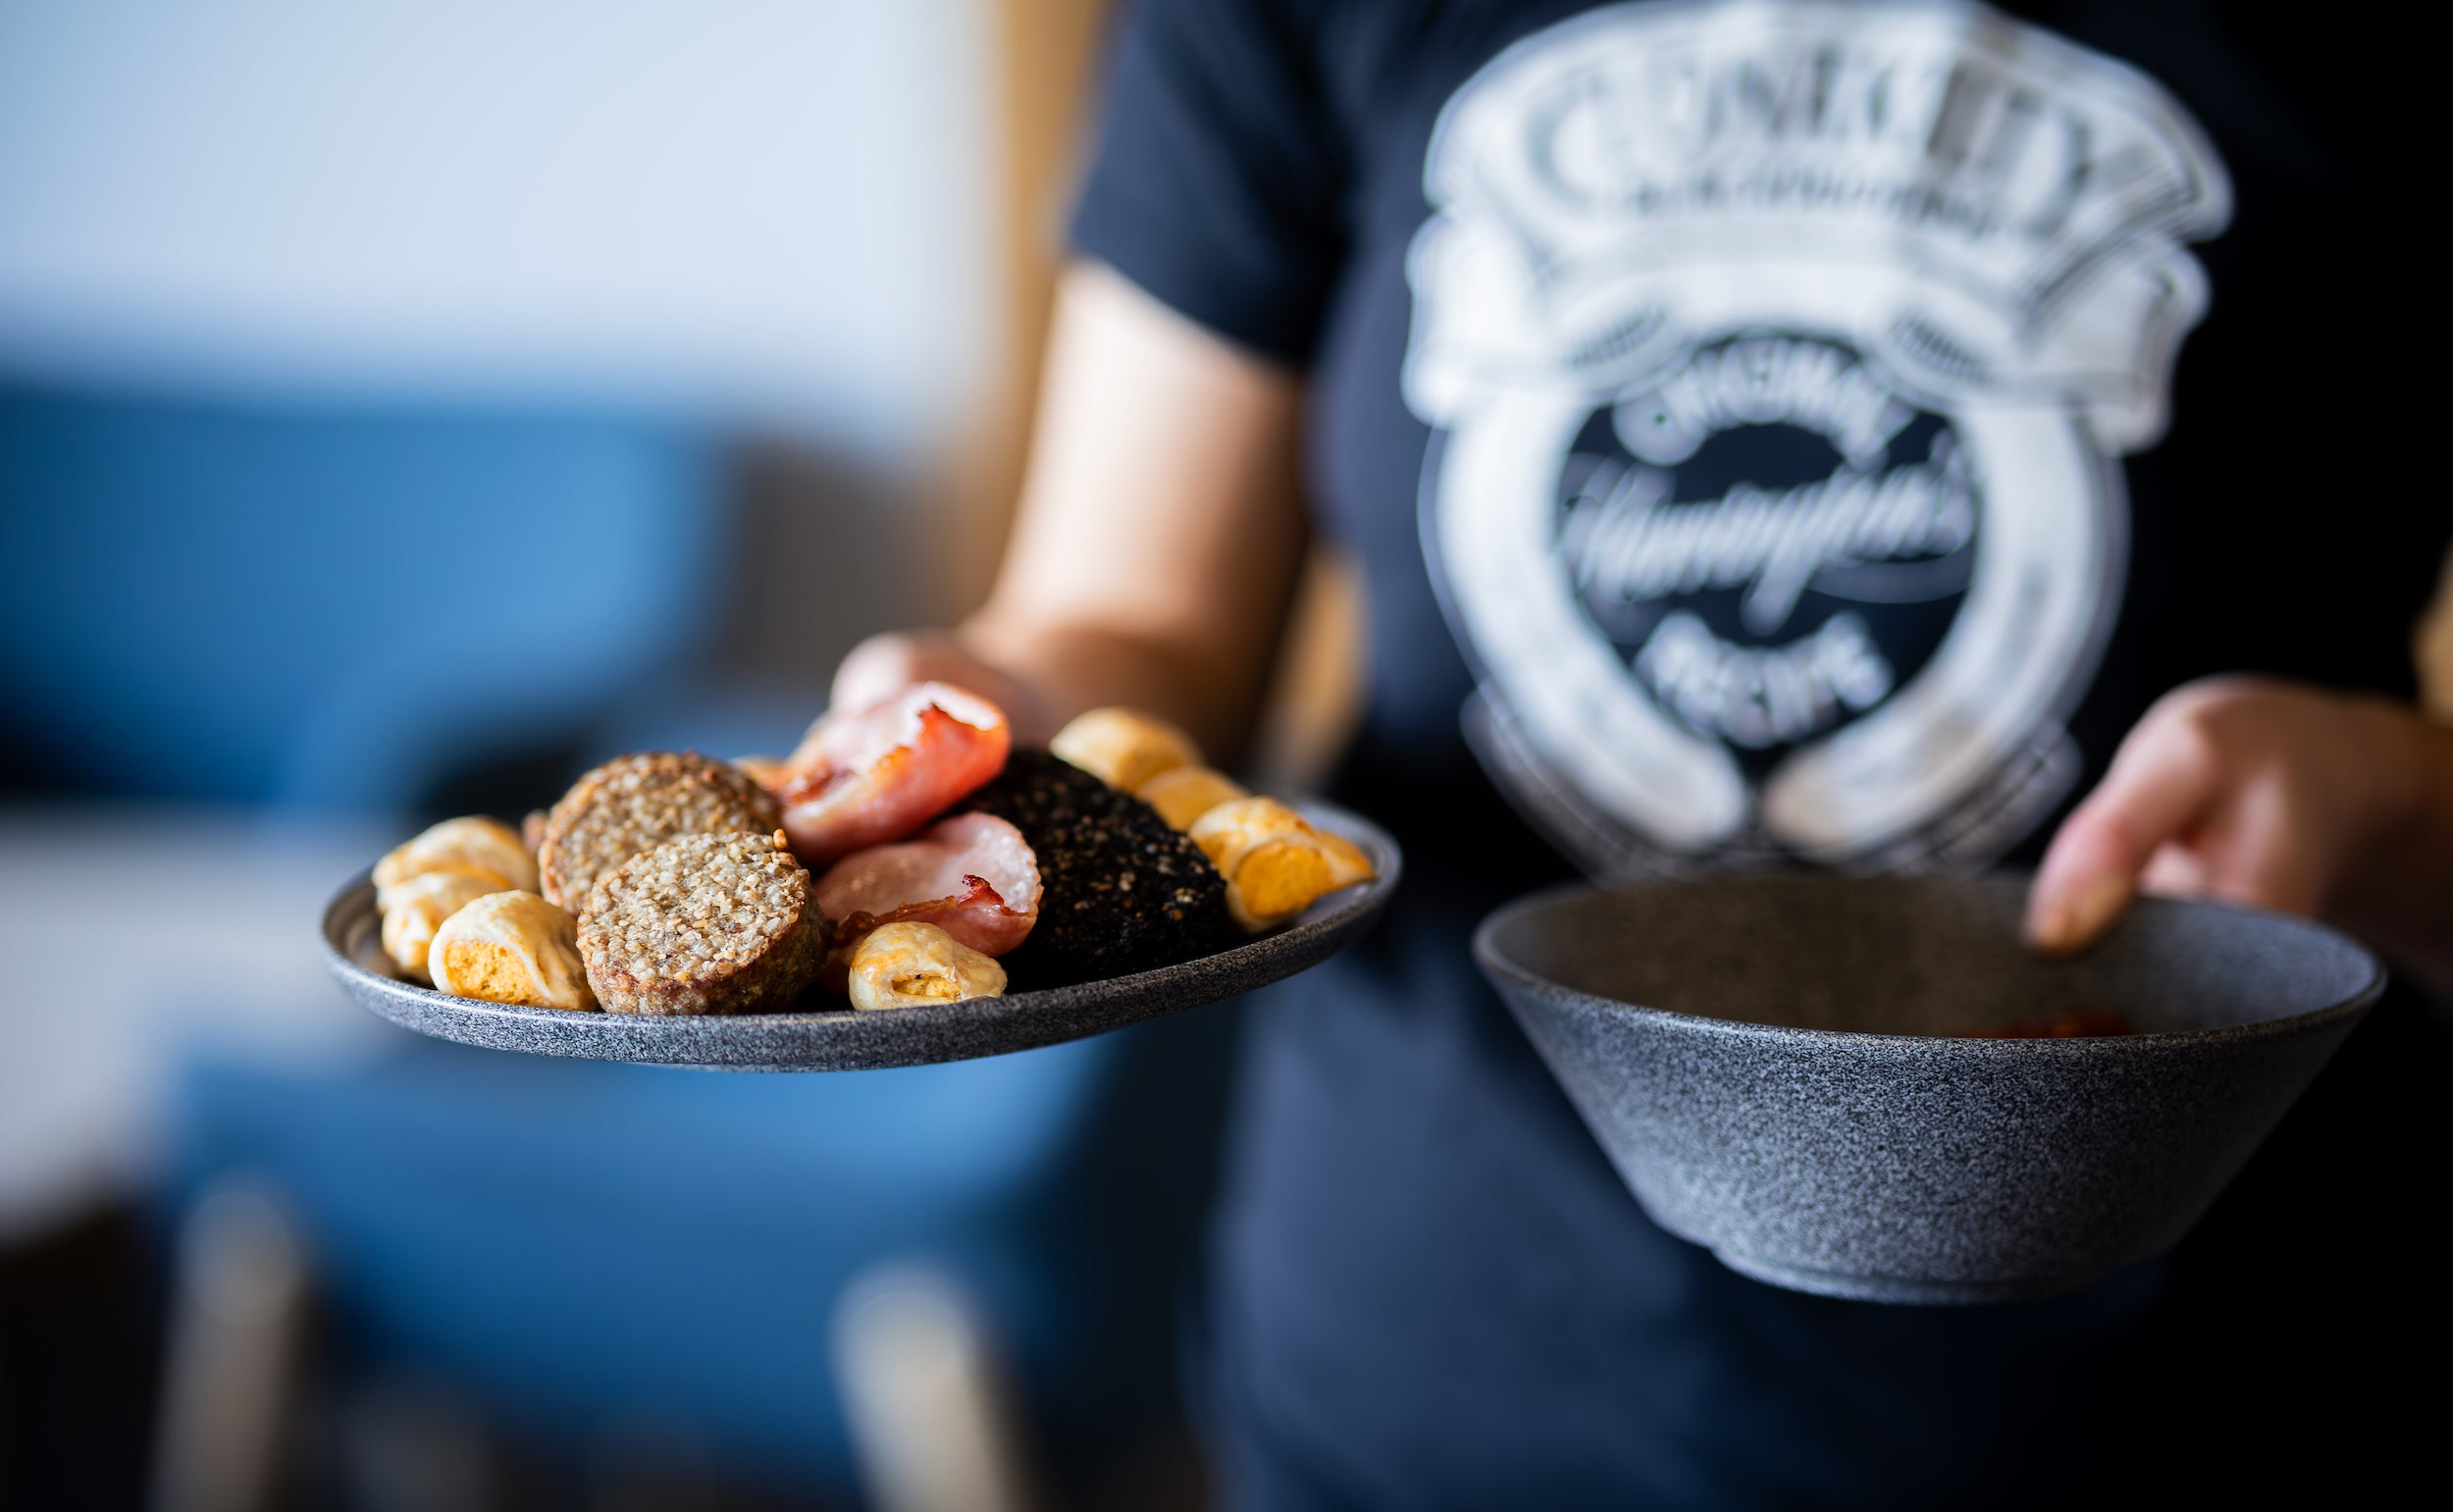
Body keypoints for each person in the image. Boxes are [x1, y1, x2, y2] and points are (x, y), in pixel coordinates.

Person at [835, 1, 2453, 1503]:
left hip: (2202, 1372)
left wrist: (2389, 800)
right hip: (1442, 1355)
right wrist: (984, 725)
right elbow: (1133, 614)